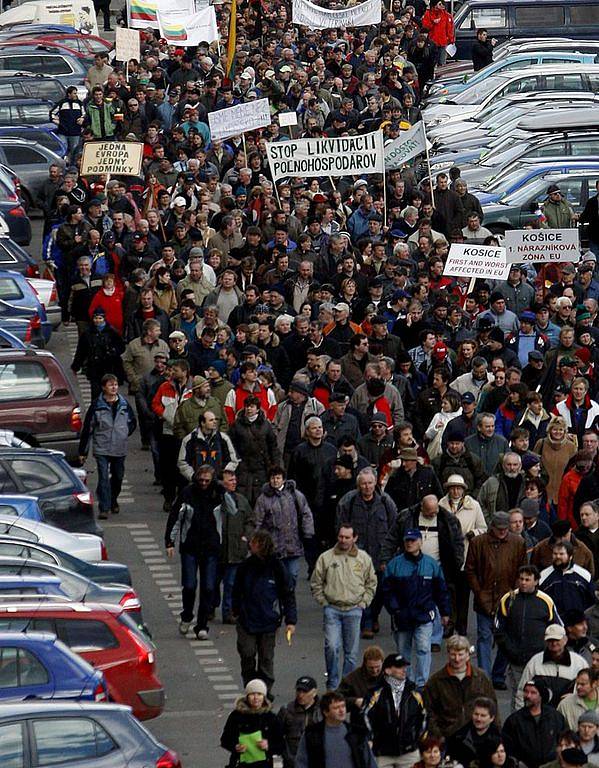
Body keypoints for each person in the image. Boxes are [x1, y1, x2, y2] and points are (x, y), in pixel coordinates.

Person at [310, 524, 377, 690]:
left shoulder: (363, 558)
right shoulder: (326, 557)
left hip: (354, 610)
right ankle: (332, 684)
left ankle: (346, 686)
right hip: (332, 609)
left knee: (351, 654)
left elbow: (372, 582)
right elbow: (316, 582)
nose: (343, 540)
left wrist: (364, 603)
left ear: (354, 538)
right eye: (341, 537)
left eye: (347, 537)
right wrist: (324, 602)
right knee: (332, 647)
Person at [465, 511, 527, 689]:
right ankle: (485, 676)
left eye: (505, 528)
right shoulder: (478, 543)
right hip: (484, 597)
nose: (502, 532)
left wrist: (514, 591)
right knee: (484, 636)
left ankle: (498, 674)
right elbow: (470, 570)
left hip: (508, 598)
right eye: (499, 529)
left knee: (506, 639)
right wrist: (478, 592)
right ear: (492, 527)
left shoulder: (518, 543)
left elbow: (521, 568)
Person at [382, 528, 451, 688]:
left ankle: (421, 683)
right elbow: (386, 591)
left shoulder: (431, 564)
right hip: (402, 617)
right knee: (403, 653)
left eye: (412, 540)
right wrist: (395, 610)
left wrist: (445, 612)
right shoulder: (395, 565)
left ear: (420, 542)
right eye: (407, 540)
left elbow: (441, 590)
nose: (409, 543)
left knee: (423, 649)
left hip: (424, 616)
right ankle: (406, 682)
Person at [232, 530, 297, 694]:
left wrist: (291, 620)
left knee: (266, 658)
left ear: (260, 545)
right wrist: (236, 610)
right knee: (247, 653)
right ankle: (250, 687)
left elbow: (287, 593)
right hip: (247, 620)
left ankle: (264, 690)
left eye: (253, 542)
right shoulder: (245, 567)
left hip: (268, 621)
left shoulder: (277, 567)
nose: (250, 545)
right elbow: (236, 590)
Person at [336, 467, 397, 638]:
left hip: (380, 554)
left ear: (375, 483)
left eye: (370, 483)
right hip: (357, 554)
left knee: (379, 591)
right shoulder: (348, 502)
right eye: (363, 484)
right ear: (358, 485)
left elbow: (394, 528)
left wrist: (390, 554)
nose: (367, 487)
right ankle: (366, 623)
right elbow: (340, 527)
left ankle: (374, 616)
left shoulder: (386, 502)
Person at [165, 464, 223, 640]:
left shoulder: (218, 494)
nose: (204, 483)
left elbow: (233, 509)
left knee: (209, 587)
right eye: (201, 479)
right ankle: (187, 615)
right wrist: (170, 541)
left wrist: (223, 490)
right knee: (189, 585)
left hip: (212, 548)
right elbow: (175, 517)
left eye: (207, 480)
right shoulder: (187, 493)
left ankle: (202, 625)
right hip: (190, 546)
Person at [494, 564, 559, 709]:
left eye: (527, 579)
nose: (523, 582)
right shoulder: (508, 599)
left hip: (540, 660)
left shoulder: (546, 601)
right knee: (519, 695)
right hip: (516, 659)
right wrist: (509, 650)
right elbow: (498, 628)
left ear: (536, 581)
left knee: (541, 695)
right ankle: (517, 727)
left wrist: (548, 651)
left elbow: (557, 628)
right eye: (521, 579)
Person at [78, 373, 137, 520]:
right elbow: (88, 428)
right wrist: (83, 451)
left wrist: (123, 433)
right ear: (104, 387)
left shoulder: (124, 404)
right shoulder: (97, 406)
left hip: (119, 447)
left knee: (118, 476)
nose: (114, 387)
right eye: (110, 385)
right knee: (103, 477)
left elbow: (132, 422)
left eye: (116, 385)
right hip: (102, 447)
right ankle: (104, 507)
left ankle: (113, 499)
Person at [253, 465, 315, 590]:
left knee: (292, 573)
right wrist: (255, 541)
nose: (275, 481)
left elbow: (306, 513)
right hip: (273, 545)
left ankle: (288, 598)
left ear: (283, 479)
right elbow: (257, 520)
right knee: (275, 578)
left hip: (293, 543)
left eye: (278, 478)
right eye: (272, 478)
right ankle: (277, 601)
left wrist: (308, 532)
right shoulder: (263, 499)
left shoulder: (295, 495)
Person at [423, 634, 497, 737]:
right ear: (448, 654)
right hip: (448, 736)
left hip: (477, 736)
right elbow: (429, 712)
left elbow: (493, 707)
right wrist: (439, 736)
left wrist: (496, 735)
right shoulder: (436, 681)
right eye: (453, 654)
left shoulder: (481, 678)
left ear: (467, 655)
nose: (457, 659)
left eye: (460, 654)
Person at [363, 653, 427, 768]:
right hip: (382, 753)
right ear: (387, 670)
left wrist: (417, 739)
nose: (404, 670)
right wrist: (371, 738)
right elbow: (365, 717)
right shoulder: (375, 693)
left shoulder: (415, 692)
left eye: (404, 667)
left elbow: (424, 716)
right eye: (399, 667)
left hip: (409, 752)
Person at [295, 691, 378, 768]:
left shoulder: (356, 733)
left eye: (343, 706)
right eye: (336, 708)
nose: (341, 710)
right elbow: (301, 762)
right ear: (326, 712)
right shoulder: (312, 734)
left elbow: (369, 762)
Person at [514, 625, 588, 708]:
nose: (554, 643)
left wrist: (574, 698)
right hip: (539, 715)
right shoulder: (535, 661)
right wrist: (521, 714)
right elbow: (521, 691)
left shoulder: (579, 663)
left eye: (557, 640)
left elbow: (588, 691)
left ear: (565, 640)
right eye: (550, 640)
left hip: (567, 715)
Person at [221, 678, 285, 768]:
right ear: (247, 696)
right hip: (240, 763)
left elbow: (281, 745)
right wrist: (235, 747)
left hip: (264, 764)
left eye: (259, 694)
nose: (256, 698)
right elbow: (225, 740)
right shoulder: (236, 716)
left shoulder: (270, 717)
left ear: (264, 697)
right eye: (252, 694)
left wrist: (268, 746)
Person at [502, 680, 566, 768]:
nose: (528, 696)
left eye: (533, 693)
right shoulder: (514, 720)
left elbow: (564, 740)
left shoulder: (555, 717)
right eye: (526, 691)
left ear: (541, 696)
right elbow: (507, 747)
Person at [71, 306, 125, 401]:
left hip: (109, 368)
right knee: (96, 394)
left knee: (110, 394)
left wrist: (113, 351)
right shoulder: (87, 333)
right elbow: (81, 351)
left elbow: (121, 347)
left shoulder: (112, 332)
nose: (97, 320)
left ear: (104, 319)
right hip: (94, 368)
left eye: (100, 318)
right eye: (96, 318)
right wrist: (76, 366)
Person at [539, 541, 595, 618]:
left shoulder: (584, 575)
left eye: (561, 554)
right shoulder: (543, 576)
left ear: (570, 556)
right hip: (554, 623)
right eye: (555, 554)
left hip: (578, 623)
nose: (558, 556)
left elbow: (592, 602)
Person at [278, 677, 321, 768]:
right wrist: (287, 756)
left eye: (305, 692)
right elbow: (277, 735)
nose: (300, 695)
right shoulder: (286, 710)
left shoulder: (323, 710)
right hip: (292, 761)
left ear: (314, 692)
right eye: (298, 691)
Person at [446, 697, 502, 767]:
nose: (478, 719)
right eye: (476, 714)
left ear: (492, 718)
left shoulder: (500, 740)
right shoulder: (458, 738)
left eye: (483, 716)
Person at [337, 646, 385, 711]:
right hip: (361, 718)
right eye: (371, 668)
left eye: (377, 667)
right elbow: (336, 698)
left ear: (382, 663)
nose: (375, 670)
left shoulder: (389, 676)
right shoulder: (352, 678)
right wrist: (354, 701)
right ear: (365, 664)